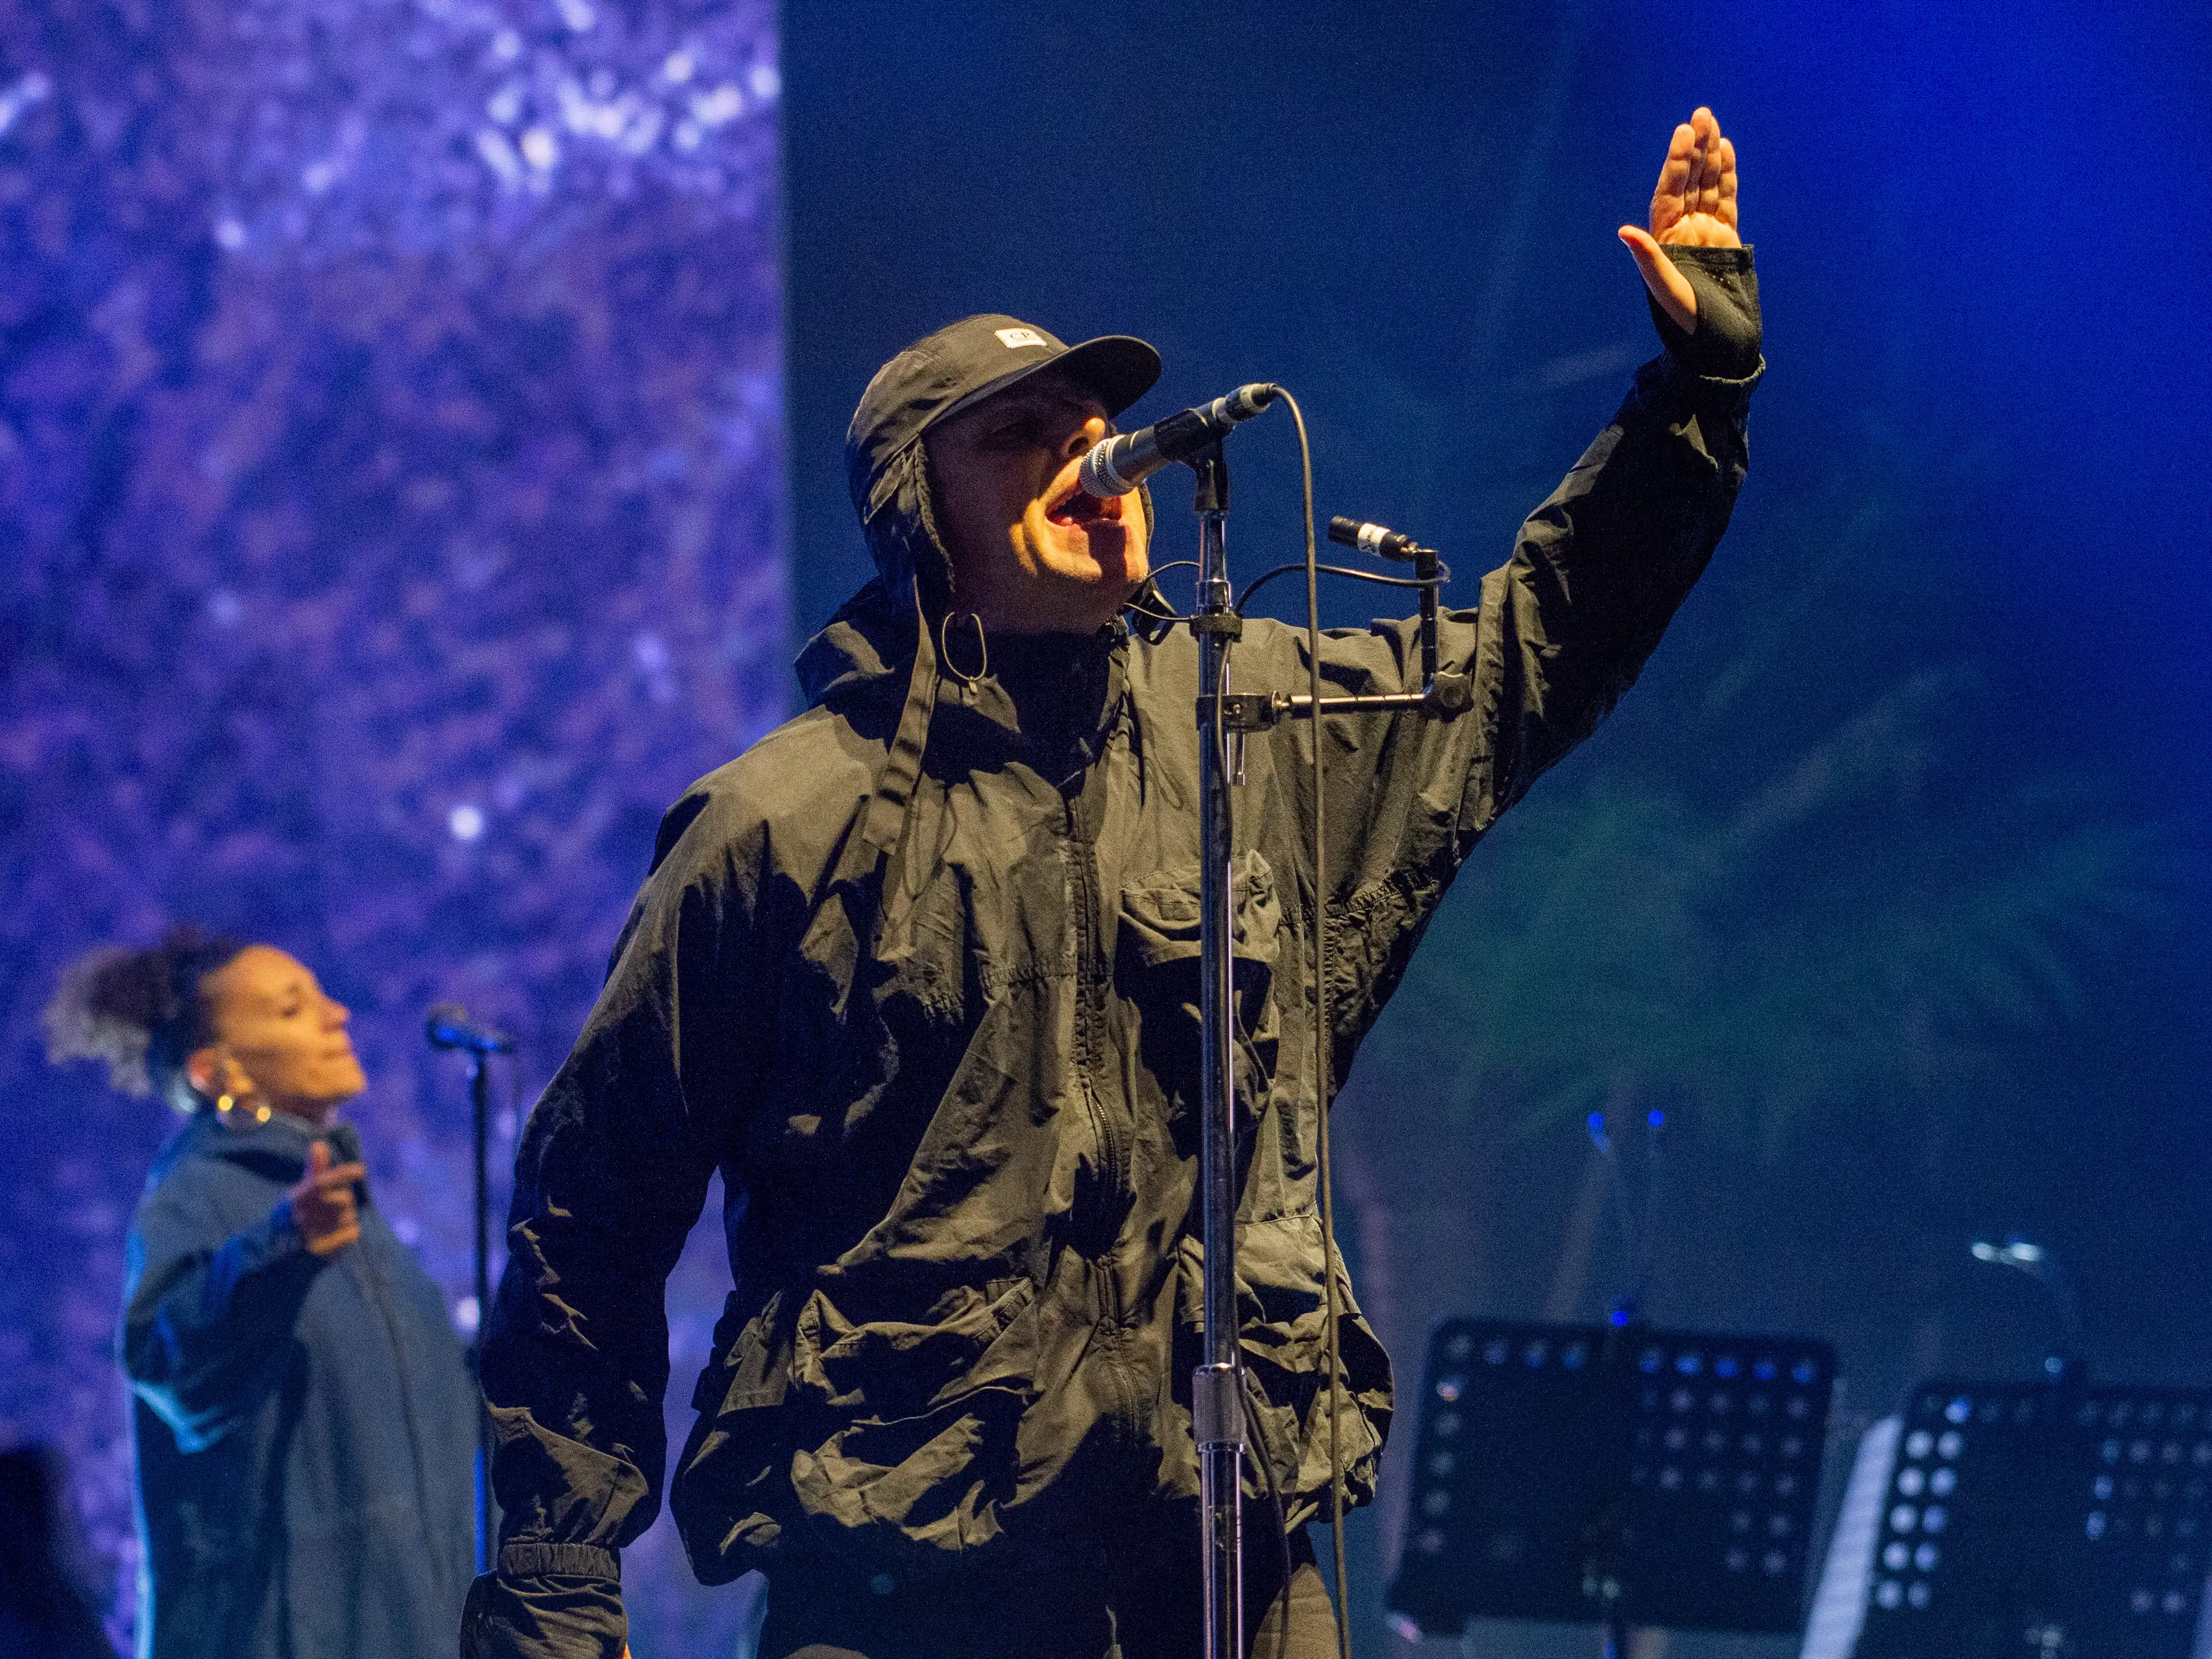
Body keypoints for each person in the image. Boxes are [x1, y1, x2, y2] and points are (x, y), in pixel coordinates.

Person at [465, 108, 1760, 1659]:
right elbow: (589, 1209)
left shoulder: (1262, 728)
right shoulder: (777, 822)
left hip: (1233, 1561)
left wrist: (1695, 393)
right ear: (910, 507)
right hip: (909, 1588)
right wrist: (552, 1574)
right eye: (1019, 438)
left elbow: (1529, 652)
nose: (1087, 461)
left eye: (1092, 429)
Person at [45, 926, 481, 1659]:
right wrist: (282, 1247)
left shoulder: (350, 1215)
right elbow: (169, 1362)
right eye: (291, 1009)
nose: (337, 1015)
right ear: (218, 1073)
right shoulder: (199, 1197)